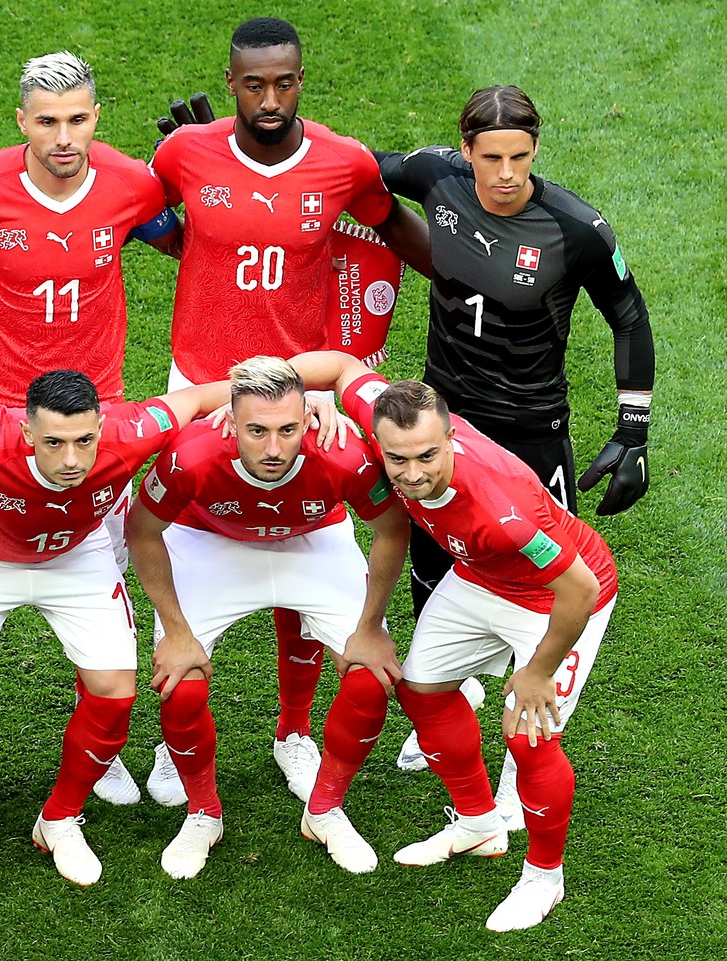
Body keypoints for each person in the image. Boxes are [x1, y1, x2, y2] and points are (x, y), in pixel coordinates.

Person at [139, 15, 429, 810]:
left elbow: (397, 230)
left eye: (285, 82)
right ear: (231, 82)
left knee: (303, 530)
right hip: (201, 383)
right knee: (195, 530)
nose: (270, 99)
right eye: (254, 84)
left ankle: (292, 729)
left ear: (302, 80)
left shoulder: (343, 162)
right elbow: (149, 216)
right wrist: (201, 247)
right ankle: (175, 745)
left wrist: (475, 268)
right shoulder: (184, 152)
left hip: (307, 392)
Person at [0, 49, 179, 808]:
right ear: (21, 121)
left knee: (99, 566)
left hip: (100, 414)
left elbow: (179, 237)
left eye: (77, 119)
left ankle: (105, 746)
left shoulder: (131, 183)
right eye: (48, 122)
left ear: (97, 117)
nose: (64, 137)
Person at [374, 85, 653, 818]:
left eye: (520, 157)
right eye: (490, 157)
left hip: (530, 431)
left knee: (535, 571)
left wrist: (633, 430)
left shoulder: (574, 226)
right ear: (465, 150)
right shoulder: (434, 177)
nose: (505, 173)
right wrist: (242, 147)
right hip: (443, 419)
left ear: (536, 149)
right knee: (433, 551)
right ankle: (458, 687)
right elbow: (348, 169)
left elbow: (628, 315)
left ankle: (530, 702)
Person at [0, 367, 230, 909]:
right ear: (26, 432)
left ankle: (58, 818)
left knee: (114, 692)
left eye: (85, 440)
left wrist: (304, 403)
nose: (72, 459)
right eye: (53, 443)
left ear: (103, 427)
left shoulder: (133, 429)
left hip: (75, 556)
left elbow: (202, 395)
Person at [293, 349, 618, 932]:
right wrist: (293, 393)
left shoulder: (501, 510)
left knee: (530, 736)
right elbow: (343, 367)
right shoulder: (384, 412)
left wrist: (539, 671)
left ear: (450, 440)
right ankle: (478, 823)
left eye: (427, 457)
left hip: (554, 600)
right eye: (397, 459)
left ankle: (544, 879)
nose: (412, 474)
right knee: (422, 690)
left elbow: (580, 588)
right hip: (478, 577)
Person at [127, 356, 409, 879]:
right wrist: (177, 630)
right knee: (180, 684)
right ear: (229, 423)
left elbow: (393, 529)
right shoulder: (191, 457)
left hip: (312, 541)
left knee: (372, 680)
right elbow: (142, 530)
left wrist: (369, 628)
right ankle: (202, 814)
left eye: (287, 429)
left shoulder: (342, 453)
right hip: (212, 543)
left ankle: (325, 808)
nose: (274, 449)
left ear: (309, 418)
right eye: (256, 431)